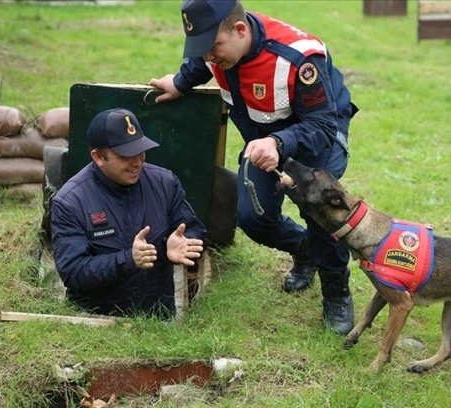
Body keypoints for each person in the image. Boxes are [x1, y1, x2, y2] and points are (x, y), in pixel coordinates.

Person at [149, 0, 358, 334]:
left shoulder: (299, 58)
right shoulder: (216, 50)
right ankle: (304, 250)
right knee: (252, 217)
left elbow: (321, 126)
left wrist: (279, 144)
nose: (208, 57)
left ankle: (336, 292)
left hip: (317, 132)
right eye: (201, 49)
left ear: (240, 30)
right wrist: (180, 81)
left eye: (213, 47)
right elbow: (201, 63)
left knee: (320, 214)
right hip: (262, 137)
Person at [50, 108, 206, 319]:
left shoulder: (164, 183)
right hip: (95, 326)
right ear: (98, 157)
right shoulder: (70, 202)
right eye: (125, 156)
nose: (137, 162)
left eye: (140, 151)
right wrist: (128, 260)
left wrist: (181, 243)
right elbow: (73, 272)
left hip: (158, 323)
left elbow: (193, 230)